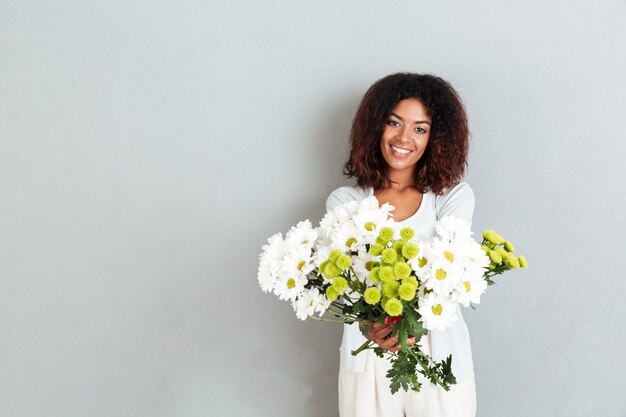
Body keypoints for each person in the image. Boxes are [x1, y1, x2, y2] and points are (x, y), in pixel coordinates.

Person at [326, 73, 477, 417]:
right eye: (394, 122)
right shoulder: (345, 201)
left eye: (420, 128)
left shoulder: (451, 198)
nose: (404, 137)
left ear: (436, 138)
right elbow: (347, 281)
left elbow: (450, 273)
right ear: (374, 127)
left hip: (440, 357)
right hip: (367, 358)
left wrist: (410, 323)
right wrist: (369, 325)